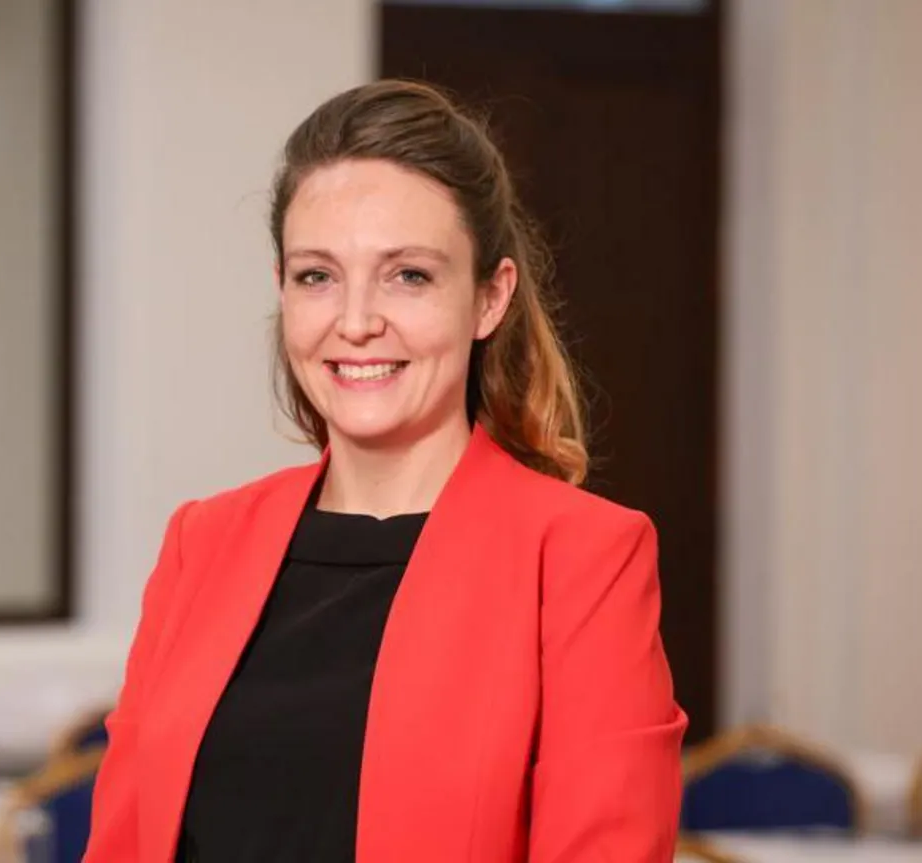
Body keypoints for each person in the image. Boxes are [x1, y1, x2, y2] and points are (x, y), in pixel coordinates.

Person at [84, 79, 686, 863]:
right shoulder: (203, 542)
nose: (358, 321)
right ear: (283, 293)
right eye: (317, 276)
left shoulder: (582, 557)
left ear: (489, 298)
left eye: (409, 275)